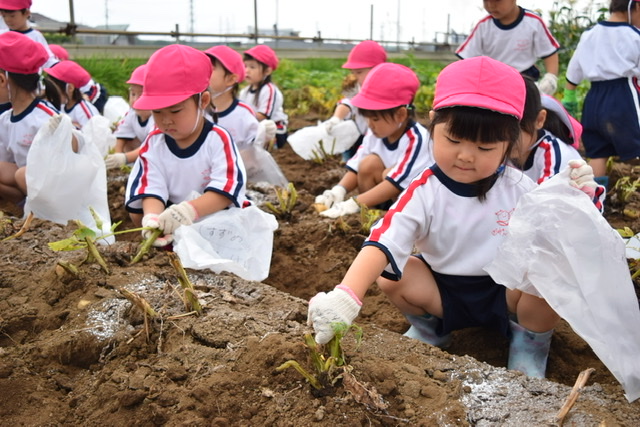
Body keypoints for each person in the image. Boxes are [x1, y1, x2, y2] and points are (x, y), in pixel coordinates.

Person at [307, 56, 602, 379]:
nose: (465, 155)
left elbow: (554, 231)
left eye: (485, 147)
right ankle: (432, 331)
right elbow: (382, 241)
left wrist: (577, 201)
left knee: (549, 272)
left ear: (509, 142)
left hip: (505, 292)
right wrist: (346, 297)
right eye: (453, 140)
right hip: (442, 292)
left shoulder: (518, 186)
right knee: (392, 274)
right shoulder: (424, 190)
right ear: (434, 123)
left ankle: (531, 344)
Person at [125, 44, 248, 248]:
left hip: (211, 216)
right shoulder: (154, 142)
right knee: (136, 215)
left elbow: (226, 190)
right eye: (157, 113)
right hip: (171, 219)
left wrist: (189, 211)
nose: (166, 121)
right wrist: (153, 218)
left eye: (175, 111)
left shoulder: (217, 139)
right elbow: (151, 187)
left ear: (203, 101)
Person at [314, 62, 434, 218]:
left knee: (389, 174)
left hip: (417, 205)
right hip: (386, 195)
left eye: (375, 119)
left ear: (401, 115)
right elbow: (357, 165)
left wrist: (353, 204)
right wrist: (339, 190)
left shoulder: (417, 140)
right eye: (367, 118)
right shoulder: (375, 133)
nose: (370, 124)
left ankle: (394, 216)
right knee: (368, 163)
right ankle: (372, 213)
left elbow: (394, 184)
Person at [563, 0, 640, 189]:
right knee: (636, 147)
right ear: (636, 6)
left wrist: (569, 97)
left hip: (594, 100)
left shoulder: (589, 34)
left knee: (597, 152)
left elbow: (574, 71)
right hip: (623, 98)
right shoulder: (634, 35)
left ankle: (597, 200)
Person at [0, 31, 59, 205]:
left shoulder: (45, 118)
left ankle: (43, 217)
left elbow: (76, 152)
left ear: (2, 80)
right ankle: (22, 209)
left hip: (56, 193)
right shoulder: (5, 120)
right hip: (27, 187)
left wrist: (66, 133)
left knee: (22, 175)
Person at [455, 0, 560, 95]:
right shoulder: (483, 26)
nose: (491, 5)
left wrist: (551, 78)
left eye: (497, 0)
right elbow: (466, 59)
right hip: (493, 82)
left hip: (526, 80)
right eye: (486, 0)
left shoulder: (533, 22)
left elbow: (549, 52)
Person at [323, 40, 387, 160]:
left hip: (382, 137)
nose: (355, 76)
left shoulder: (388, 89)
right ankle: (349, 166)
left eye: (359, 72)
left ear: (377, 69)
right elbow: (348, 103)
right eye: (353, 72)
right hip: (362, 134)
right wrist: (336, 119)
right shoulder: (357, 87)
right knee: (350, 149)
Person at [514, 76, 584, 185]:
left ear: (539, 120)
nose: (506, 140)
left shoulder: (555, 154)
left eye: (514, 132)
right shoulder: (503, 152)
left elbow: (544, 198)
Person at [204, 45, 276, 151]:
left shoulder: (244, 115)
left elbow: (253, 151)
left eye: (211, 69)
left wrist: (263, 136)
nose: (203, 73)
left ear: (231, 79)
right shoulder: (197, 110)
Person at [105, 64, 155, 169]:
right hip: (143, 150)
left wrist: (125, 158)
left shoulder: (157, 117)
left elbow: (152, 146)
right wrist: (116, 156)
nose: (135, 100)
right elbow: (121, 136)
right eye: (133, 94)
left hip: (157, 153)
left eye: (141, 95)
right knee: (128, 143)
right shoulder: (132, 113)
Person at [239, 45, 288, 148]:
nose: (247, 71)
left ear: (267, 71)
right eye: (245, 66)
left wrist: (242, 119)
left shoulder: (269, 90)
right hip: (254, 127)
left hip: (274, 131)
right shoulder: (245, 91)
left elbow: (264, 115)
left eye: (252, 67)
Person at [0, 0, 57, 68]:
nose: (7, 20)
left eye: (12, 16)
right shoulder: (2, 35)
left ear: (27, 13)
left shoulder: (36, 37)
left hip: (29, 77)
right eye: (4, 16)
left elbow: (48, 60)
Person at [44, 60, 100, 129]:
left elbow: (94, 135)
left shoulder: (84, 112)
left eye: (54, 89)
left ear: (70, 88)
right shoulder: (61, 106)